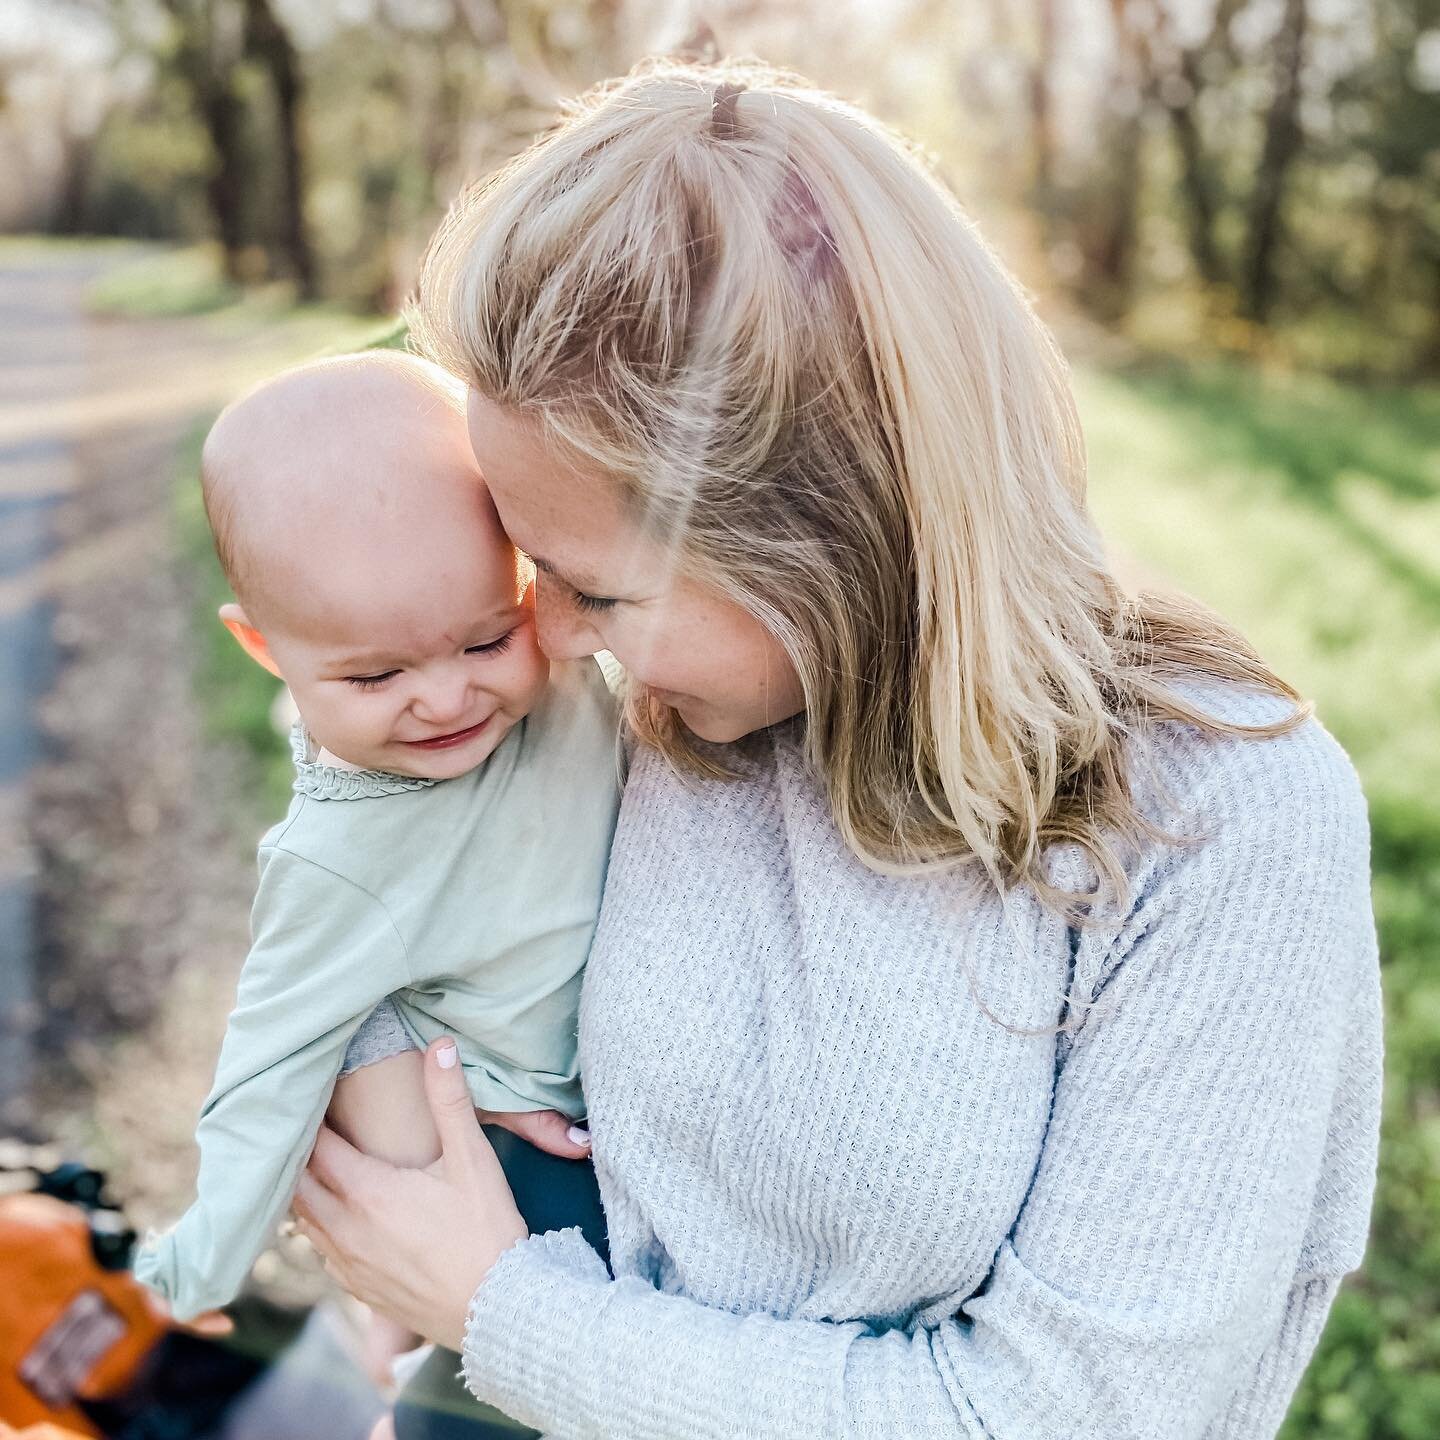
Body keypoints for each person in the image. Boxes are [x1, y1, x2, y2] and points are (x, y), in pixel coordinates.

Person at [293, 60, 1383, 1440]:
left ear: (830, 544)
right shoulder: (623, 715)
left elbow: (1068, 1419)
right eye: (530, 562)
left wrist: (504, 1313)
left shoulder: (1218, 817)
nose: (549, 638)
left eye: (605, 591)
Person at [132, 353, 621, 1409]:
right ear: (267, 652)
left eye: (487, 636)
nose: (446, 697)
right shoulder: (335, 863)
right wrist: (195, 1269)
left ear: (530, 579)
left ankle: (387, 1334)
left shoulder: (574, 678)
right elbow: (269, 1058)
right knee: (477, 1400)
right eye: (375, 675)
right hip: (521, 1159)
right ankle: (395, 1340)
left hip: (627, 1097)